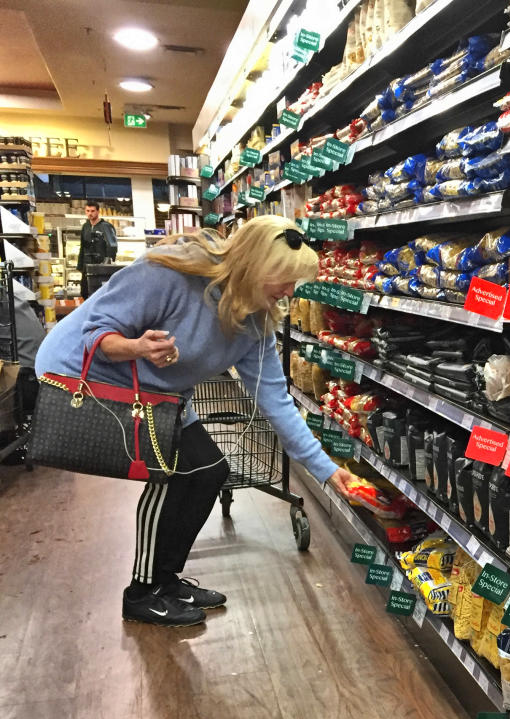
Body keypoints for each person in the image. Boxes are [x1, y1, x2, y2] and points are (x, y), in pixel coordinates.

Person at [35, 215, 352, 627]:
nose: (290, 292)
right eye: (285, 280)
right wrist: (136, 347)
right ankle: (141, 591)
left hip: (162, 394)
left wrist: (328, 471)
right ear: (256, 265)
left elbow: (276, 402)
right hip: (87, 373)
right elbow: (95, 332)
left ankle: (165, 581)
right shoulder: (167, 274)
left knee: (209, 471)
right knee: (171, 473)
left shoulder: (254, 325)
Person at [77, 201, 118, 297]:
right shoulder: (85, 226)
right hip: (86, 267)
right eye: (87, 211)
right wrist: (80, 266)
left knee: (99, 294)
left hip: (100, 268)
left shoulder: (106, 226)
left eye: (92, 211)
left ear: (98, 211)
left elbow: (112, 246)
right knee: (85, 293)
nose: (90, 213)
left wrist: (107, 265)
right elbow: (82, 246)